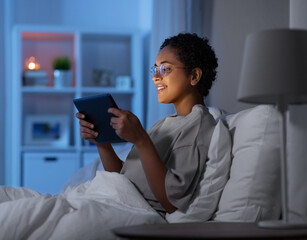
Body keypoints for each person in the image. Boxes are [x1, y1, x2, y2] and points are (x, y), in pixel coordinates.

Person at [76, 33, 218, 216]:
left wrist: (142, 139)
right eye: (155, 69)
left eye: (165, 69)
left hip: (133, 212)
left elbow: (171, 203)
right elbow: (123, 179)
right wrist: (101, 141)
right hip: (115, 200)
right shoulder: (165, 123)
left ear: (194, 76)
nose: (155, 77)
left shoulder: (198, 125)